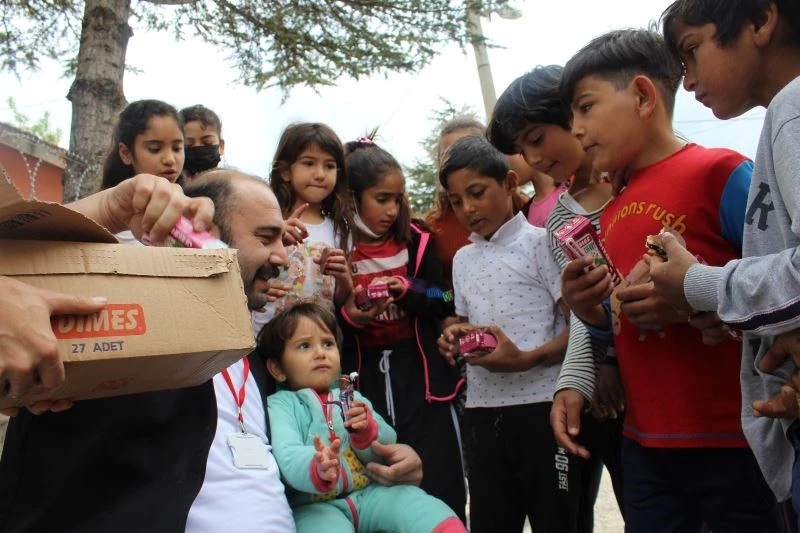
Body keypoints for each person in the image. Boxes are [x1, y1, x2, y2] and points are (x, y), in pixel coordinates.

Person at [0, 170, 423, 532]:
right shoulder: (134, 335)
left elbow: (310, 459)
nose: (282, 256)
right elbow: (23, 272)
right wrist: (108, 209)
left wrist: (384, 461)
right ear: (205, 237)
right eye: (266, 237)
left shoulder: (263, 363)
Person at [557, 28, 786, 532]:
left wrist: (695, 300)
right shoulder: (609, 212)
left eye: (586, 107)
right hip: (644, 445)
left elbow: (778, 285)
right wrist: (588, 308)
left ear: (642, 96)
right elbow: (617, 324)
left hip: (734, 439)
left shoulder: (722, 173)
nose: (575, 129)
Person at [648, 0, 800, 518]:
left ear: (761, 20)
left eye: (692, 51)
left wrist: (701, 283)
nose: (688, 81)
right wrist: (739, 319)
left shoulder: (792, 109)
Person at [487, 63, 624, 532]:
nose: (532, 157)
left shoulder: (635, 182)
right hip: (603, 395)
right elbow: (583, 312)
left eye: (537, 138)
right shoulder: (560, 220)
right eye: (522, 148)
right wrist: (590, 372)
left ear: (574, 113)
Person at [436, 135, 580, 533]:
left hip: (544, 408)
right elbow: (466, 326)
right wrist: (454, 337)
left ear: (510, 182)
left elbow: (579, 329)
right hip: (482, 411)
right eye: (456, 201)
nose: (467, 209)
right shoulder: (462, 259)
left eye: (477, 193)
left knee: (557, 521)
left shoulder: (542, 244)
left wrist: (527, 359)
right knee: (490, 521)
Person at [338, 136, 466, 520]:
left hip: (425, 383)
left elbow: (446, 297)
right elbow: (320, 323)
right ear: (351, 198)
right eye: (382, 199)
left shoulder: (417, 240)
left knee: (441, 483)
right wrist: (350, 318)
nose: (393, 209)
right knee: (379, 489)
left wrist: (409, 289)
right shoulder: (335, 248)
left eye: (398, 198)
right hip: (364, 386)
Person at [260, 302, 466, 532]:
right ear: (277, 369)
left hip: (369, 492)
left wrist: (366, 433)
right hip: (314, 505)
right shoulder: (280, 405)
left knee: (416, 504)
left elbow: (385, 445)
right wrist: (316, 465)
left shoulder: (352, 396)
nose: (320, 353)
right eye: (304, 345)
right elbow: (287, 453)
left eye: (328, 343)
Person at [251, 123, 351, 336]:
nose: (320, 174)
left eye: (329, 166)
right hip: (266, 339)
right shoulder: (267, 222)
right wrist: (276, 237)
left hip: (319, 342)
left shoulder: (340, 231)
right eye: (309, 163)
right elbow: (245, 271)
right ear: (286, 172)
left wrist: (344, 277)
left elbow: (341, 299)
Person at [101, 99, 185, 189]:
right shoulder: (109, 198)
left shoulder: (190, 196)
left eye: (176, 148)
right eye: (155, 149)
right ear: (126, 154)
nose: (170, 160)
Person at [179, 104, 225, 183]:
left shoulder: (234, 186)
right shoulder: (168, 188)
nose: (198, 148)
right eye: (188, 145)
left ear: (221, 146)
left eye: (207, 143)